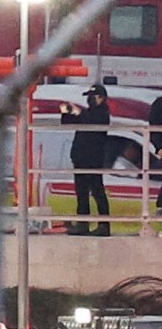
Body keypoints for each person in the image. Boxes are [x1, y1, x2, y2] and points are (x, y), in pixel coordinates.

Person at [68, 82, 131, 236]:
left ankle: (104, 225)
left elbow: (92, 120)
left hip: (93, 159)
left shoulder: (102, 114)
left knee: (97, 191)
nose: (89, 99)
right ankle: (82, 223)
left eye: (92, 96)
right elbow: (69, 121)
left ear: (101, 98)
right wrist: (67, 112)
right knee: (81, 192)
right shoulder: (87, 114)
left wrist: (78, 113)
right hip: (80, 157)